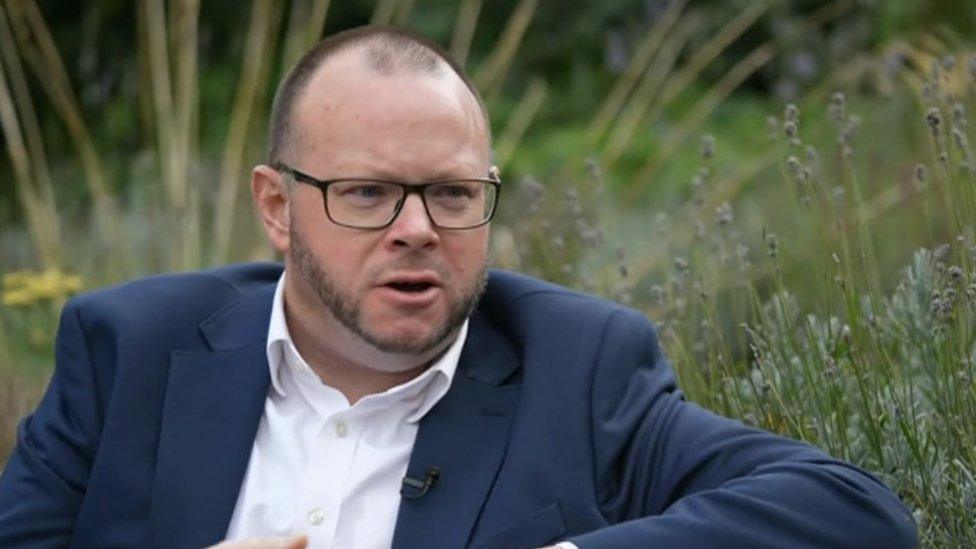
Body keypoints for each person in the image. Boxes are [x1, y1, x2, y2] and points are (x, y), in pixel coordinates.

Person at [0, 25, 916, 549]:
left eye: (451, 193)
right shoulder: (130, 349)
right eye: (367, 192)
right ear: (276, 207)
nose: (417, 227)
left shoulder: (577, 366)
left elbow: (853, 513)